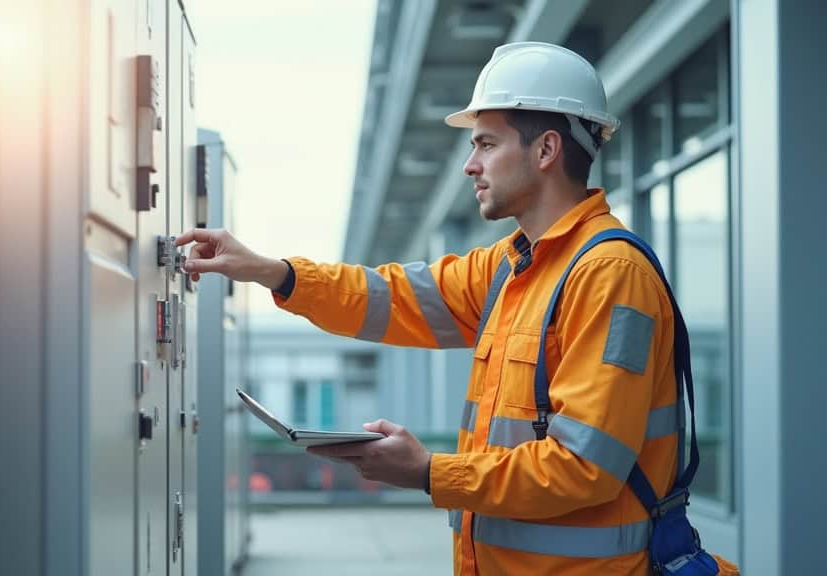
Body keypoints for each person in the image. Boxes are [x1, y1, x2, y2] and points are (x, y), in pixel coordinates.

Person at [176, 42, 737, 575]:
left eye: (486, 143)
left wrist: (427, 471)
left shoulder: (610, 277)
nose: (470, 164)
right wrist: (272, 271)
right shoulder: (512, 268)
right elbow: (389, 297)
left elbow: (583, 469)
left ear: (546, 149)